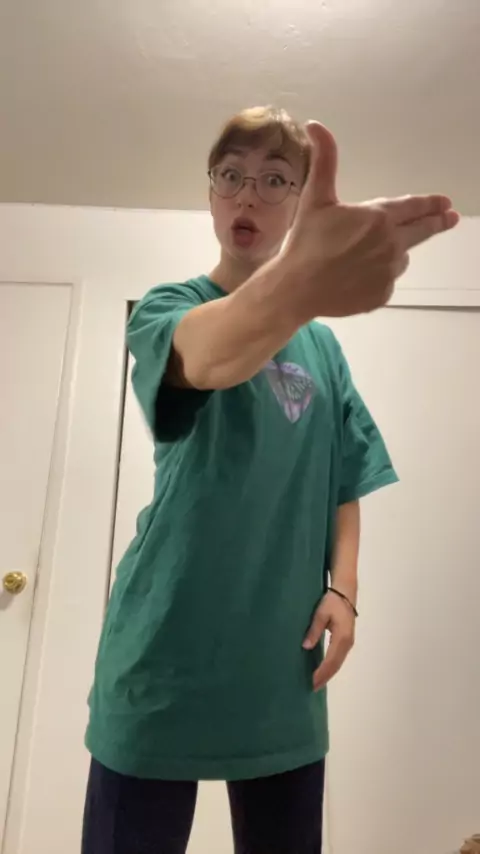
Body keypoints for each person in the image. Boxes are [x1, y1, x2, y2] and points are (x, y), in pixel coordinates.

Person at [82, 107, 459, 854]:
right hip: (163, 652)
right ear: (210, 193)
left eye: (275, 179)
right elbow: (209, 356)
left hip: (283, 663)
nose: (248, 194)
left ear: (299, 202)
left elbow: (347, 473)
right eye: (231, 175)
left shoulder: (323, 349)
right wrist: (300, 283)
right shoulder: (169, 307)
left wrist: (345, 590)